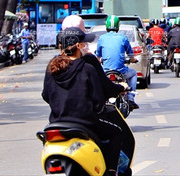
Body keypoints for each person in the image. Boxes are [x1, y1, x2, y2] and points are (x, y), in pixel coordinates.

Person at [43, 27, 129, 176]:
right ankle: (111, 171)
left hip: (56, 123)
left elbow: (46, 95)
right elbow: (98, 101)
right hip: (86, 122)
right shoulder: (87, 68)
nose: (86, 46)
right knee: (116, 132)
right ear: (77, 46)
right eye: (84, 43)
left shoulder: (52, 67)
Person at [96, 15, 139, 110]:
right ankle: (131, 99)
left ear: (106, 27)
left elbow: (98, 56)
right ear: (118, 26)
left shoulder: (102, 38)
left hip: (105, 72)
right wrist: (133, 60)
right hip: (121, 71)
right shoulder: (123, 38)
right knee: (133, 74)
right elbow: (130, 54)